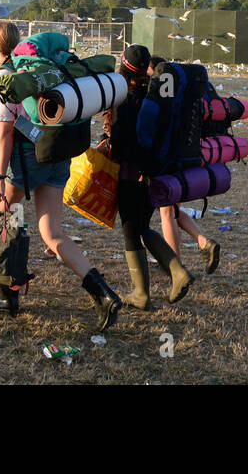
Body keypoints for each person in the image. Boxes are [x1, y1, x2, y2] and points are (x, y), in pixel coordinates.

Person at [0, 21, 121, 331]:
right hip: (57, 154)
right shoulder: (40, 68)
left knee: (0, 219)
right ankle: (103, 293)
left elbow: (5, 134)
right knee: (52, 233)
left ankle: (5, 294)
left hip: (27, 158)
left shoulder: (6, 77)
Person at [104, 46, 193, 309]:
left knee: (132, 232)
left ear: (123, 69)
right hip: (155, 174)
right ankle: (173, 273)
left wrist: (107, 145)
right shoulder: (154, 96)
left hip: (132, 175)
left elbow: (120, 146)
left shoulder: (125, 99)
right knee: (142, 227)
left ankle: (148, 291)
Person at [150, 56, 221, 274]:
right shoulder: (184, 88)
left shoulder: (163, 88)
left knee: (166, 213)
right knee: (174, 209)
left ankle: (175, 265)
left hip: (169, 157)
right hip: (189, 153)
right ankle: (204, 243)